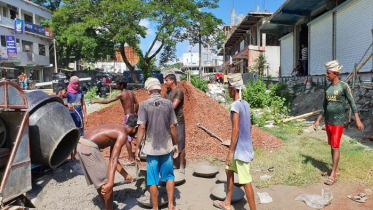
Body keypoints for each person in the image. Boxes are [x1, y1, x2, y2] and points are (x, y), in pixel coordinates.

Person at [314, 60, 364, 185]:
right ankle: (335, 169)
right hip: (328, 122)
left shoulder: (343, 86)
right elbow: (324, 107)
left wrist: (357, 119)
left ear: (335, 73)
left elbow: (352, 103)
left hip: (338, 122)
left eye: (328, 73)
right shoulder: (328, 88)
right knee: (332, 145)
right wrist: (318, 121)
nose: (327, 75)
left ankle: (333, 176)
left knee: (335, 146)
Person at [213, 73, 256, 210]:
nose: (228, 92)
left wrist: (230, 152)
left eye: (229, 89)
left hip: (240, 152)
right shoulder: (246, 104)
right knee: (228, 171)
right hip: (243, 146)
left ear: (233, 89)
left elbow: (236, 129)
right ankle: (227, 203)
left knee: (246, 181)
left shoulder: (235, 106)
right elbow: (248, 127)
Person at [135, 77, 179, 210]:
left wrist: (137, 147)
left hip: (151, 148)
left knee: (152, 179)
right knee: (170, 176)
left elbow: (142, 128)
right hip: (166, 146)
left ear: (149, 90)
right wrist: (175, 144)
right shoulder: (168, 104)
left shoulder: (144, 105)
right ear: (159, 89)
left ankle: (155, 207)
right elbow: (172, 126)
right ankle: (171, 205)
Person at [76, 116, 138, 210]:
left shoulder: (118, 130)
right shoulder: (122, 134)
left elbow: (113, 159)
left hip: (82, 146)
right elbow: (113, 160)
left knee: (100, 182)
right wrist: (110, 182)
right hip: (89, 148)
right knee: (106, 182)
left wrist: (125, 175)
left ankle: (108, 206)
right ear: (135, 128)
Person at [92, 77, 139, 165]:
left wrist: (95, 101)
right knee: (133, 136)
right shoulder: (131, 93)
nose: (116, 85)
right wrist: (135, 114)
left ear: (121, 85)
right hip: (133, 116)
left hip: (128, 117)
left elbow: (107, 101)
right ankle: (136, 154)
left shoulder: (121, 94)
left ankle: (131, 159)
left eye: (117, 84)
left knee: (127, 138)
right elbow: (137, 104)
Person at [164, 74, 186, 173]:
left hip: (178, 121)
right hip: (169, 121)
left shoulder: (179, 91)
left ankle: (181, 165)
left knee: (180, 142)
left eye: (166, 80)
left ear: (172, 81)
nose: (165, 82)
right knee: (171, 142)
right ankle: (174, 164)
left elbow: (173, 106)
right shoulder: (167, 93)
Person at [67, 76, 88, 159]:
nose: (76, 85)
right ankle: (70, 153)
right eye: (74, 84)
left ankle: (75, 153)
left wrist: (85, 116)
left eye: (77, 84)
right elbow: (62, 102)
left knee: (78, 136)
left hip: (79, 117)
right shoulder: (67, 92)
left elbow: (83, 104)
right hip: (70, 117)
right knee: (71, 136)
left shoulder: (80, 92)